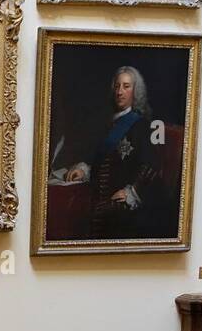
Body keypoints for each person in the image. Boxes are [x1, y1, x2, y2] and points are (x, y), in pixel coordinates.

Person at [54, 66, 164, 240]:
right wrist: (84, 169)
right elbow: (99, 157)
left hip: (120, 206)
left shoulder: (140, 125)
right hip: (99, 197)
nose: (120, 92)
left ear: (136, 91)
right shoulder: (109, 123)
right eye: (117, 86)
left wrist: (132, 192)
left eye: (126, 86)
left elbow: (152, 166)